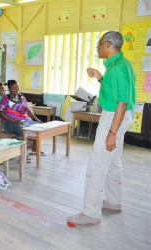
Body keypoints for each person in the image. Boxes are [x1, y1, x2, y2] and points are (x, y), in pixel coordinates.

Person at [67, 31, 135, 225]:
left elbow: (121, 102)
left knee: (97, 165)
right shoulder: (122, 65)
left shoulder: (118, 68)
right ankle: (114, 202)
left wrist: (112, 133)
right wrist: (99, 78)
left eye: (98, 44)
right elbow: (115, 91)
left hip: (114, 117)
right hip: (120, 116)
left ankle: (90, 213)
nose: (96, 47)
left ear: (107, 45)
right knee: (113, 161)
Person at [0, 80, 44, 161]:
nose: (16, 89)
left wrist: (36, 119)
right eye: (14, 87)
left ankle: (35, 149)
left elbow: (28, 110)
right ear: (9, 89)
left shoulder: (21, 97)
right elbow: (1, 114)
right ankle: (22, 154)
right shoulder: (5, 99)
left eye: (17, 87)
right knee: (22, 130)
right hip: (9, 122)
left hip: (24, 120)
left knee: (39, 127)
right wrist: (14, 121)